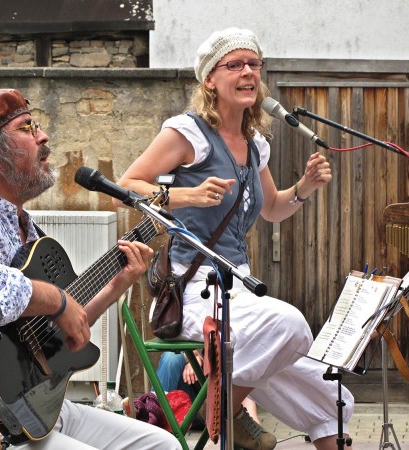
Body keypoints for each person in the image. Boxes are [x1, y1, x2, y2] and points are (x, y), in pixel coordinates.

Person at [0, 88, 181, 450]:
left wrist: (116, 285)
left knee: (164, 446)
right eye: (27, 127)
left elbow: (53, 337)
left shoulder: (22, 224)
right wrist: (57, 299)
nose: (43, 135)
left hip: (34, 410)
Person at [116, 27, 354, 450]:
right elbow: (126, 183)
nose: (249, 73)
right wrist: (184, 195)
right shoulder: (186, 132)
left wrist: (303, 187)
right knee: (290, 324)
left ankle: (229, 406)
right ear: (210, 78)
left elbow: (272, 208)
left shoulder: (254, 142)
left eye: (254, 65)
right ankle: (227, 411)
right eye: (236, 65)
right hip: (192, 290)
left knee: (331, 396)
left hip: (239, 291)